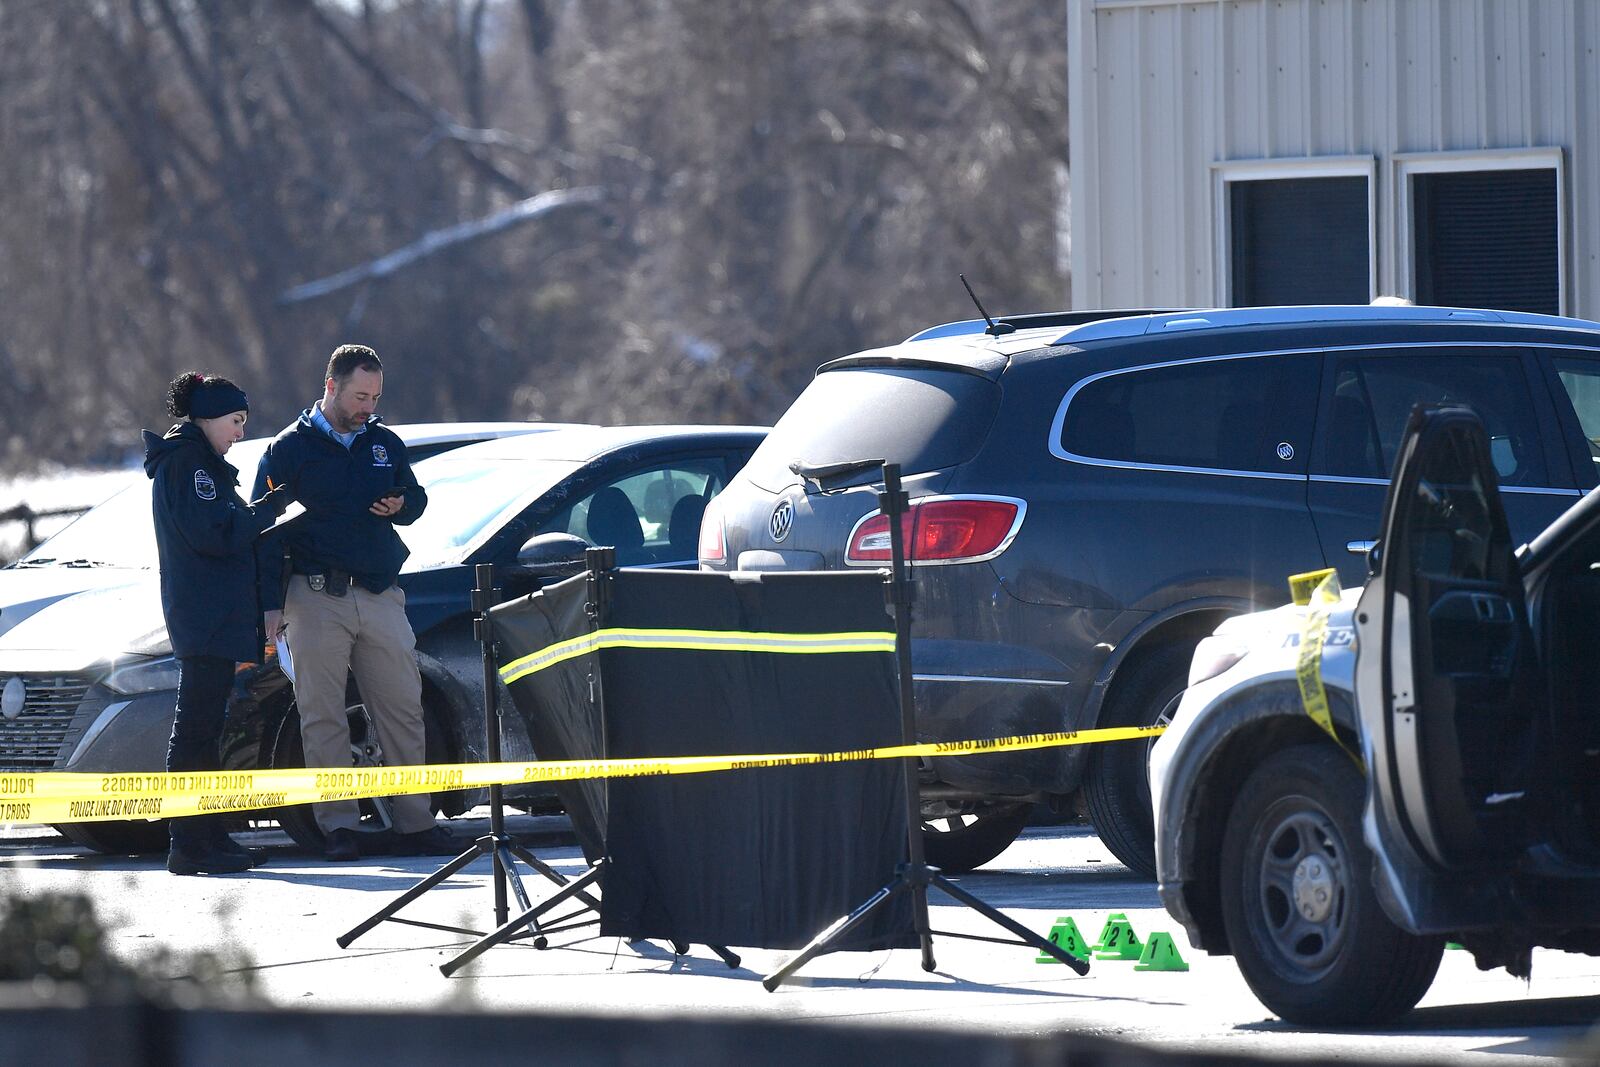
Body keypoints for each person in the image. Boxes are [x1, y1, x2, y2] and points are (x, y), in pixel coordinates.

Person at [253, 344, 456, 861]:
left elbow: (416, 498)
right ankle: (338, 826)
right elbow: (264, 532)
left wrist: (402, 503)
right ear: (331, 387)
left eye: (375, 396)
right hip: (315, 594)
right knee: (322, 714)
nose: (368, 405)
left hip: (380, 591)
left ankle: (415, 822)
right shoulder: (287, 450)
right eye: (360, 395)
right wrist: (269, 607)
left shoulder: (383, 442)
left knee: (403, 707)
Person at [143, 372, 289, 876]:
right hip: (203, 616)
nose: (240, 432)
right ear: (207, 417)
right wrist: (267, 511)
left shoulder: (200, 464)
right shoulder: (189, 464)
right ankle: (189, 840)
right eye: (236, 421)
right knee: (196, 731)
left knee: (206, 731)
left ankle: (206, 835)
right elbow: (216, 534)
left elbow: (222, 529)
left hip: (211, 615)